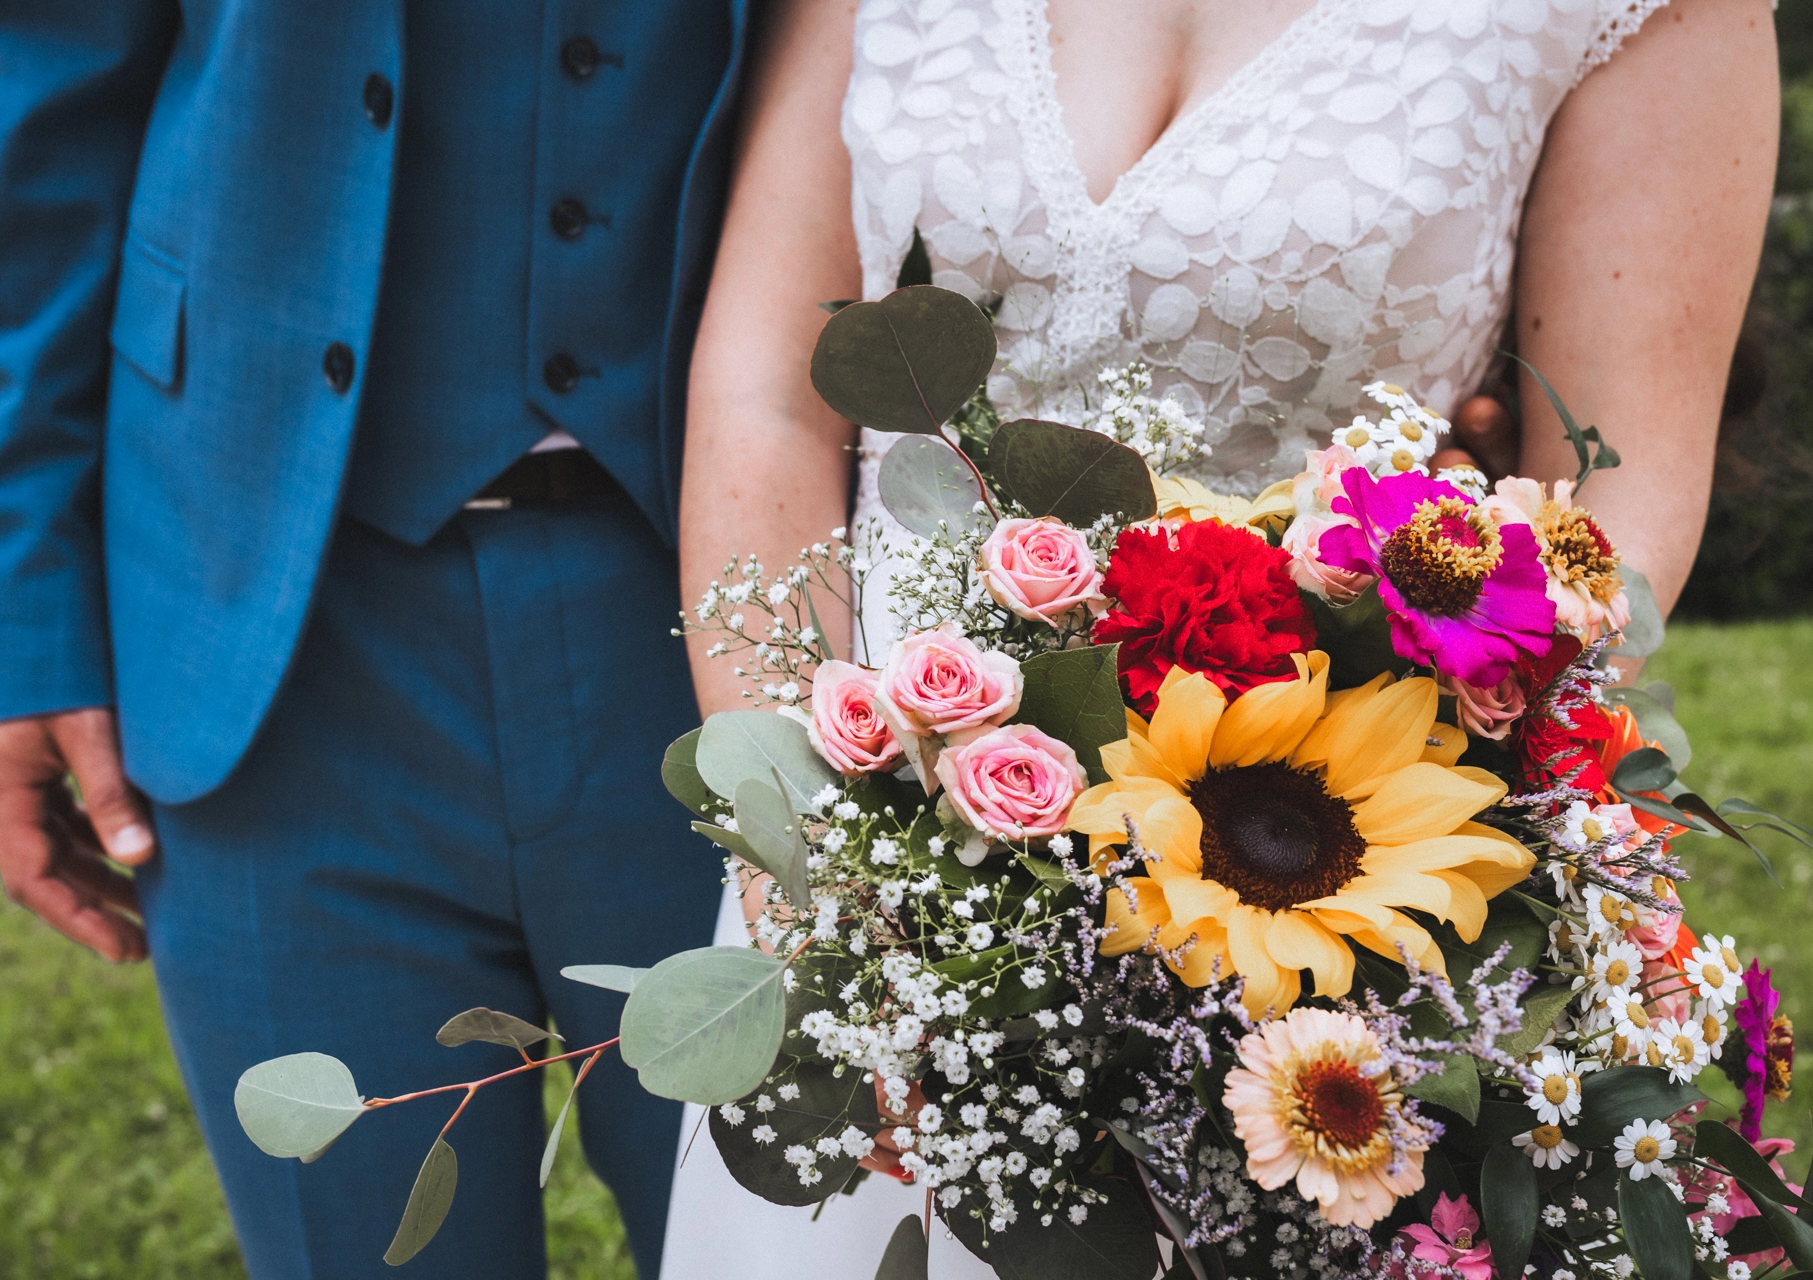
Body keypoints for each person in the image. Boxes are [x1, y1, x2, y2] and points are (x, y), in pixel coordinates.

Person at [665, 0, 1776, 1274]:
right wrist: (814, 867)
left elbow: (1612, 515)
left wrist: (1387, 903)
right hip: (881, 849)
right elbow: (768, 390)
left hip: (1314, 914)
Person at [0, 3, 750, 1276]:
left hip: (746, 604)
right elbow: (33, 53)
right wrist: (17, 626)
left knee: (801, 1239)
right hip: (263, 617)